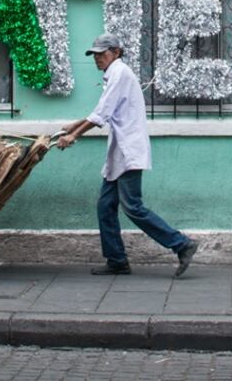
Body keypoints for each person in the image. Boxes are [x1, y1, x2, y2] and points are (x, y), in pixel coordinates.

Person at [57, 33, 198, 277]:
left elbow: (102, 114)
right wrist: (74, 126)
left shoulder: (120, 73)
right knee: (105, 207)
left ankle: (181, 244)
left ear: (116, 52)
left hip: (129, 149)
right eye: (95, 55)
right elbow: (101, 110)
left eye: (102, 54)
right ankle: (117, 260)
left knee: (132, 207)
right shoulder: (113, 75)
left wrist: (74, 135)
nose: (97, 58)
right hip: (120, 151)